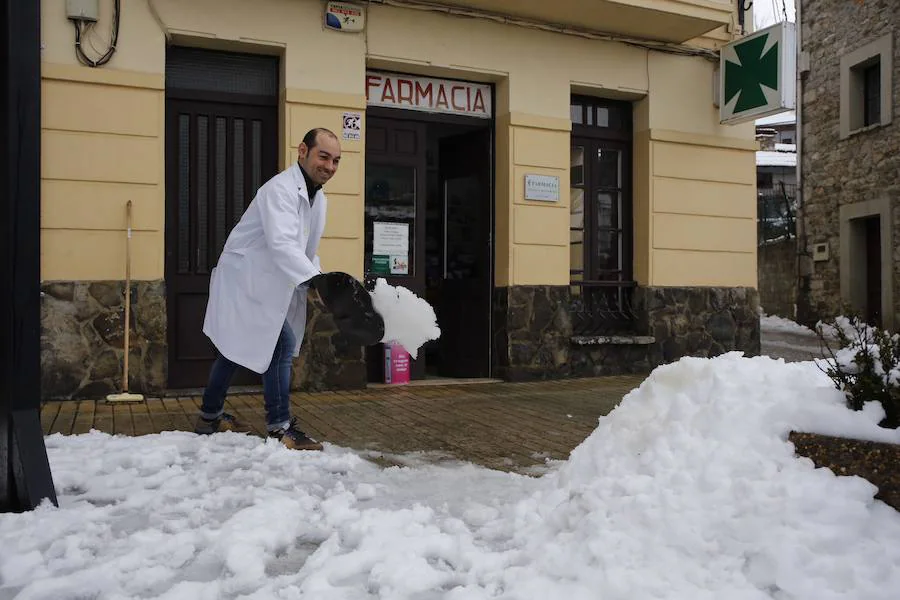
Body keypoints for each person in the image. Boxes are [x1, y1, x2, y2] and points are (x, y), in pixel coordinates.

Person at [194, 127, 341, 451]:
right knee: (280, 344)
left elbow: (304, 249)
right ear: (302, 150)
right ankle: (280, 427)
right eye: (323, 156)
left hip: (265, 281)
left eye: (336, 161)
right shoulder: (280, 190)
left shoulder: (319, 198)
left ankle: (209, 416)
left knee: (234, 349)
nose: (329, 166)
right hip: (245, 279)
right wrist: (317, 281)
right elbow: (281, 245)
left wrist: (320, 276)